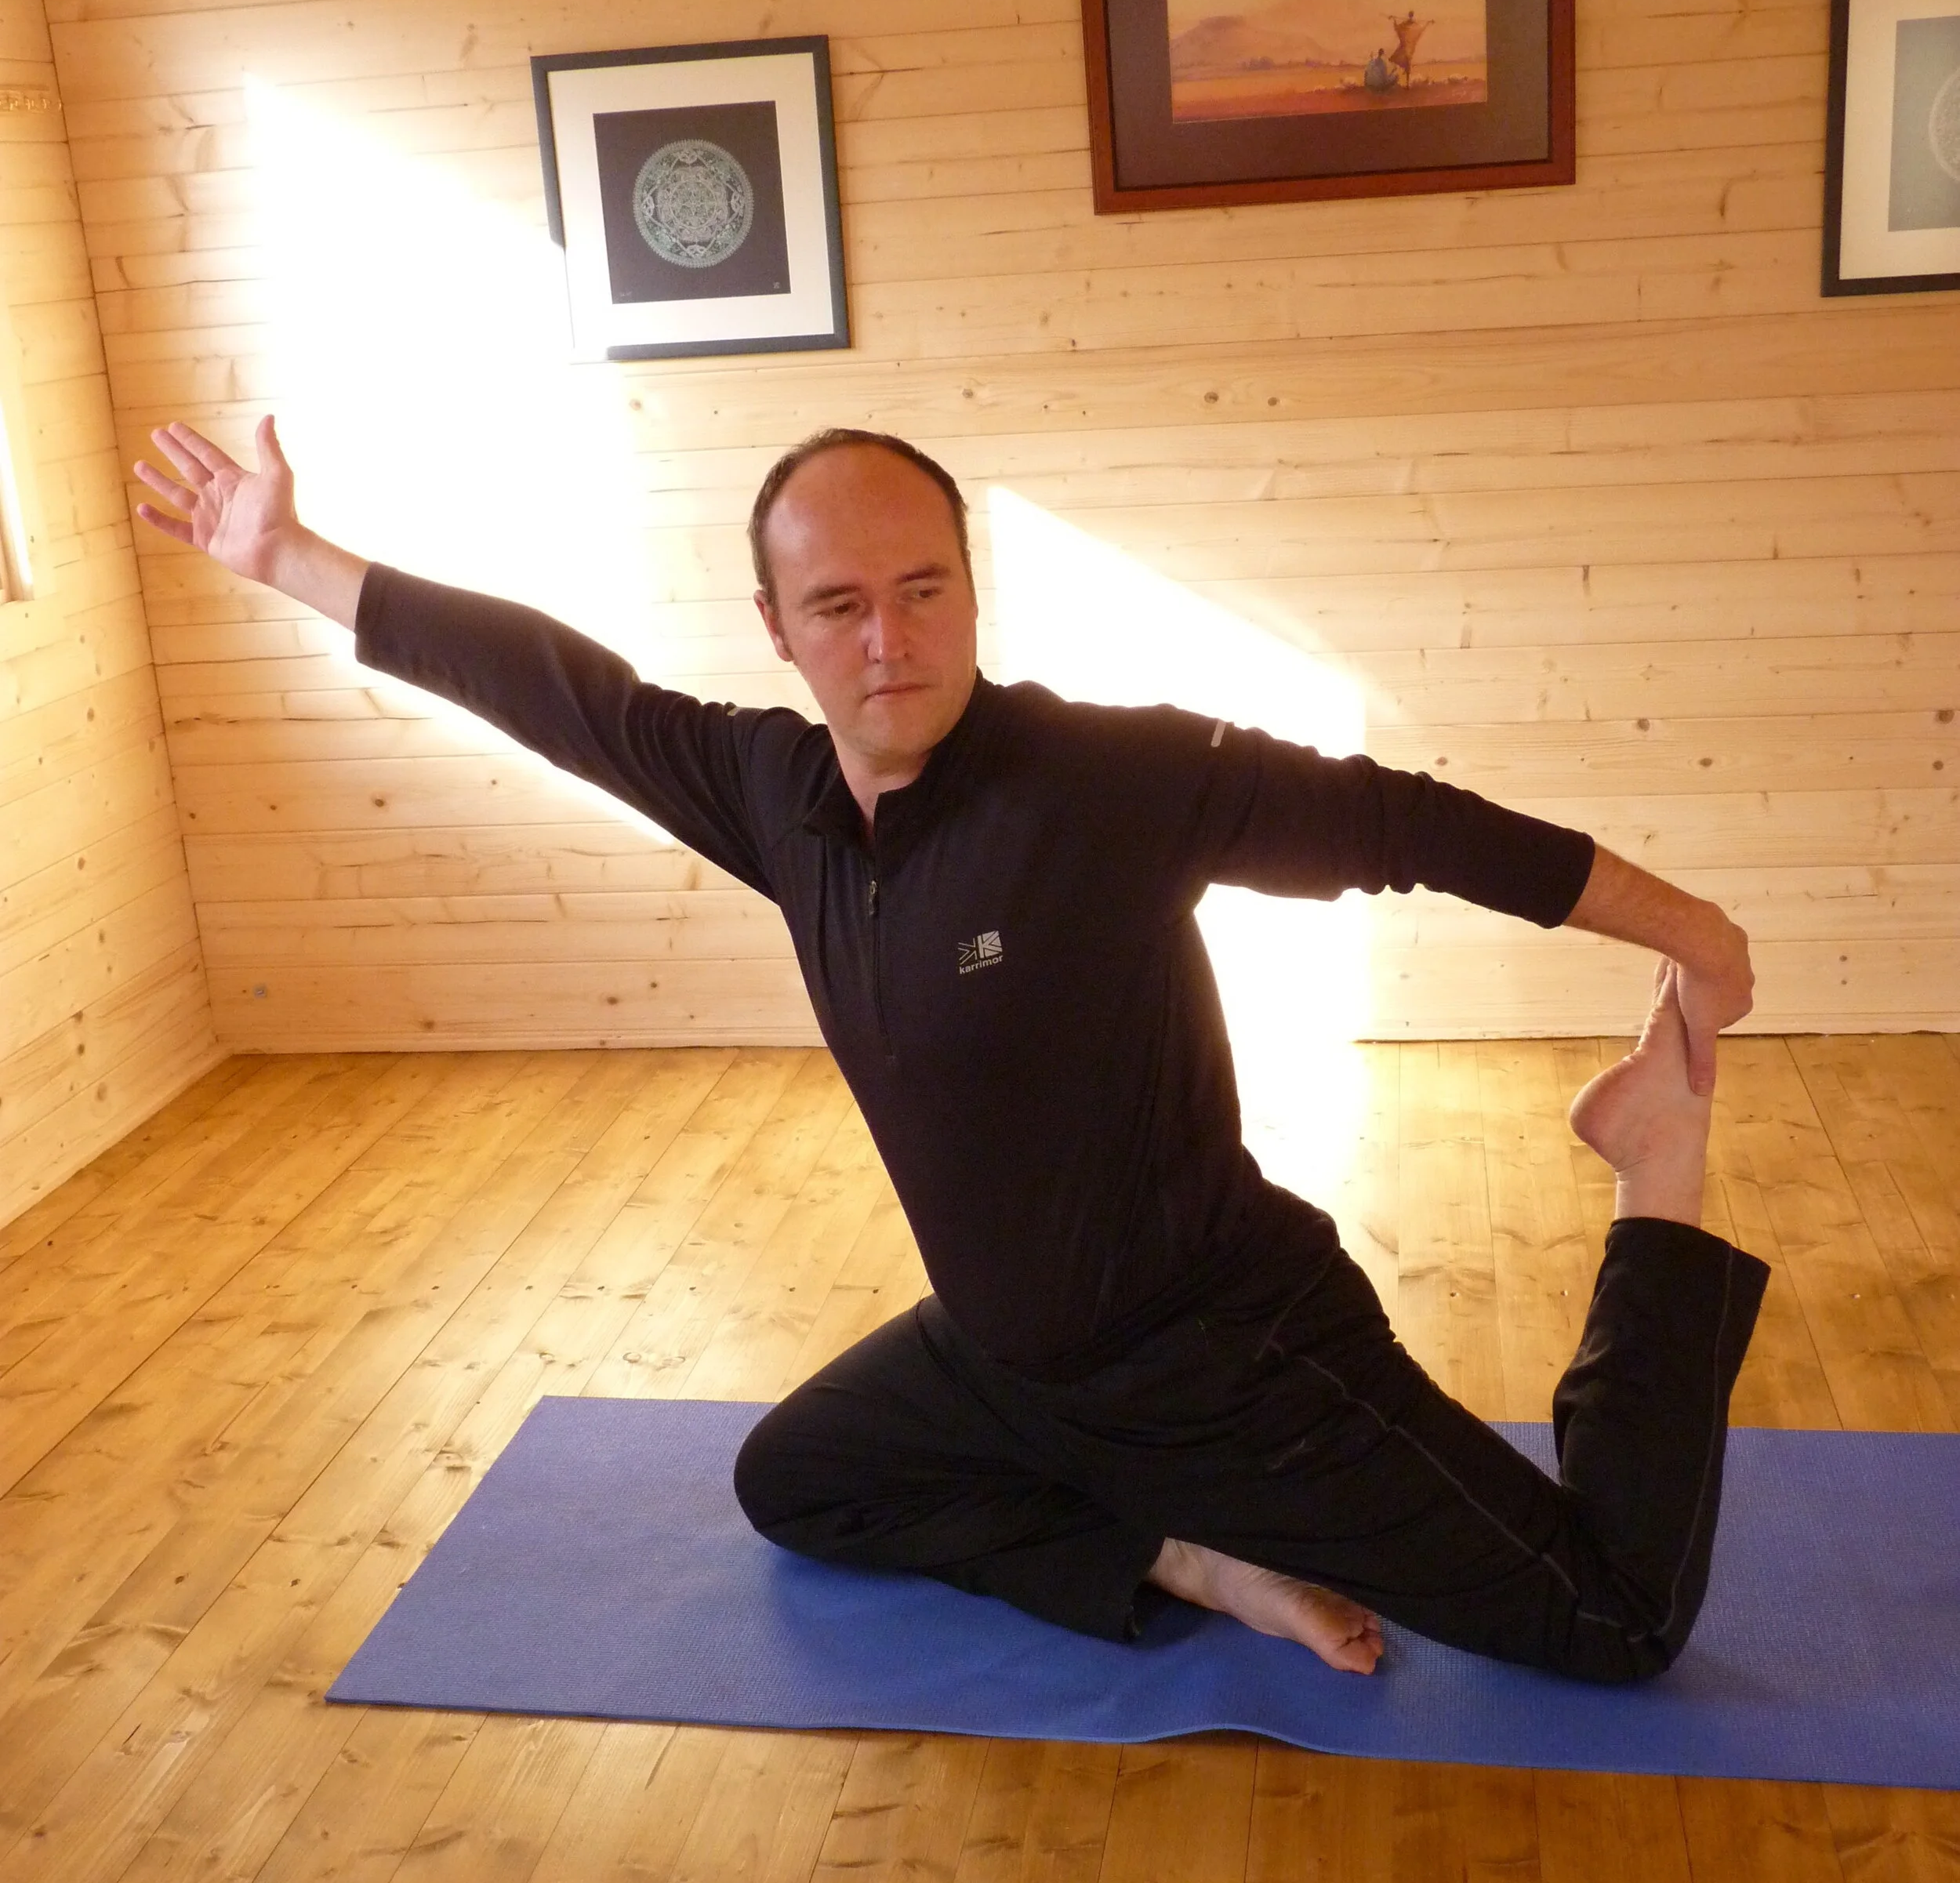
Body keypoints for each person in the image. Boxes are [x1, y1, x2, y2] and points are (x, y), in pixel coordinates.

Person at [136, 415, 1767, 1683]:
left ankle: (1653, 1173)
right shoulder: (772, 794)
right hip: (1000, 1362)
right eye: (838, 605)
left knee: (1613, 1621)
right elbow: (557, 688)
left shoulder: (1097, 783)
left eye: (923, 590)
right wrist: (289, 557)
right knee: (797, 1482)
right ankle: (1187, 1564)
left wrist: (1680, 926)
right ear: (775, 627)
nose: (889, 640)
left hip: (1222, 1367)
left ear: (968, 591)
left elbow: (1393, 820)